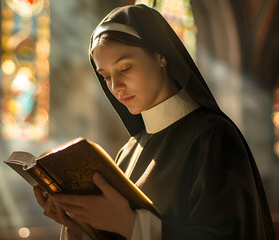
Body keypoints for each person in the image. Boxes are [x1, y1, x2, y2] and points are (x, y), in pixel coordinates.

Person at [33, 4, 276, 240]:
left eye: (125, 68)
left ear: (162, 57)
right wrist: (79, 227)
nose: (115, 87)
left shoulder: (213, 137)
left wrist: (131, 225)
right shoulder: (127, 153)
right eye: (105, 76)